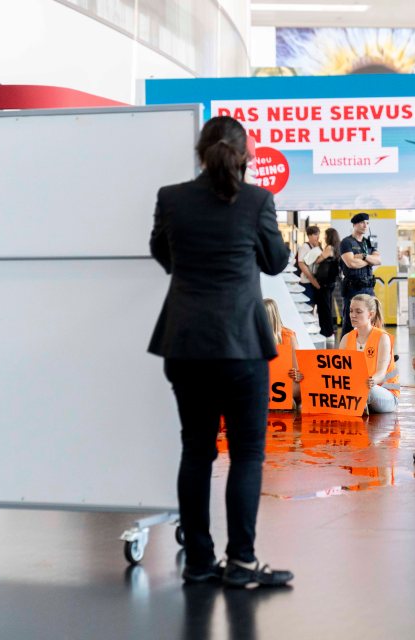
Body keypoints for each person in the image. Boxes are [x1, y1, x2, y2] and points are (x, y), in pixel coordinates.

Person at [148, 115, 293, 588]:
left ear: (200, 152)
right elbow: (275, 262)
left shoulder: (171, 198)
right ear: (244, 156)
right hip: (242, 346)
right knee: (248, 453)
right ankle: (243, 563)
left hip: (185, 342)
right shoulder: (257, 201)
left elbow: (163, 255)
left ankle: (198, 562)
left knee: (196, 451)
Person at [339, 294, 399, 413]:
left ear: (370, 314)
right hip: (355, 389)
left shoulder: (382, 338)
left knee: (367, 390)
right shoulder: (346, 338)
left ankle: (359, 404)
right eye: (351, 311)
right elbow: (340, 371)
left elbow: (381, 374)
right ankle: (360, 404)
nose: (353, 315)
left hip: (385, 393)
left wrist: (370, 382)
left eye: (358, 311)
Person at [340, 212, 381, 336]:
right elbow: (351, 263)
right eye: (362, 222)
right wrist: (369, 261)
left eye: (367, 223)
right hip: (353, 288)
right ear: (355, 224)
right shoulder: (346, 242)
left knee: (373, 320)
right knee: (350, 322)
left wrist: (363, 256)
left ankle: (375, 350)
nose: (365, 225)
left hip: (369, 288)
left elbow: (378, 260)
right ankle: (345, 353)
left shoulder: (368, 242)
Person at [263, 298, 301, 406]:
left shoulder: (288, 336)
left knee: (297, 388)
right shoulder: (254, 335)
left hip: (283, 382)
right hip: (265, 382)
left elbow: (298, 370)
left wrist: (295, 373)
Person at [315, 227, 341, 341]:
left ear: (329, 236)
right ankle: (329, 332)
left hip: (325, 283)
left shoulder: (329, 248)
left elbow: (318, 260)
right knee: (327, 307)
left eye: (325, 235)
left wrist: (317, 249)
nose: (324, 237)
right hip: (331, 282)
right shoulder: (337, 248)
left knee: (324, 308)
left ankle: (327, 332)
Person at [296, 225, 323, 307]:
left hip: (313, 281)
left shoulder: (316, 246)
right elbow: (301, 264)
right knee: (308, 307)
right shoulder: (305, 247)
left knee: (313, 306)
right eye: (315, 234)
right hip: (307, 282)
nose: (317, 237)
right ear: (309, 235)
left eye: (318, 234)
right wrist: (312, 279)